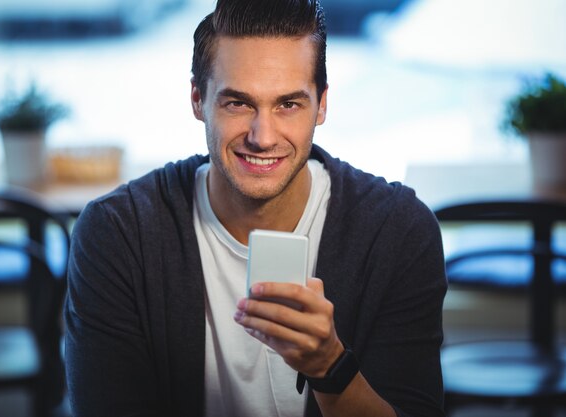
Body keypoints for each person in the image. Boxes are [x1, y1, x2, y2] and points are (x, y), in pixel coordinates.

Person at [64, 0, 447, 416]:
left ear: (321, 105)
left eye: (288, 104)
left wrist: (330, 367)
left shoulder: (398, 231)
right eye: (238, 103)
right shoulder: (119, 234)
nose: (263, 137)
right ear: (198, 100)